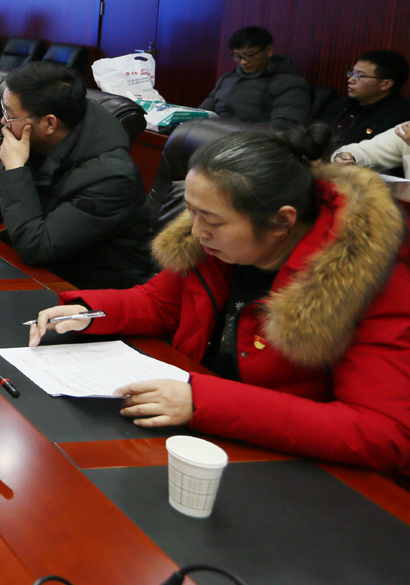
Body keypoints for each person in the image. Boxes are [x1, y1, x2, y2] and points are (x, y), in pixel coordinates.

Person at [28, 127, 410, 475]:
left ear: (282, 222)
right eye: (190, 212)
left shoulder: (372, 281)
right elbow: (162, 304)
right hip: (201, 439)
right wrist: (90, 313)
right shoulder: (215, 246)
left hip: (292, 471)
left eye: (211, 220)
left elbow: (384, 432)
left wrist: (202, 401)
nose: (196, 231)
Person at [0, 61, 153, 289]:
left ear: (49, 124)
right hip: (40, 275)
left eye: (10, 114)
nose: (3, 121)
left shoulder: (112, 178)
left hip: (91, 292)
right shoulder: (39, 137)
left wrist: (16, 170)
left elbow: (37, 247)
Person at [198, 26, 311, 128]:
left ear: (269, 50)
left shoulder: (290, 83)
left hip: (250, 140)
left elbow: (284, 127)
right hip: (213, 135)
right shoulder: (227, 79)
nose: (243, 62)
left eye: (249, 55)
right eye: (237, 56)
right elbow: (201, 114)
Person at [319, 50, 410, 149]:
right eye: (352, 73)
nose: (350, 80)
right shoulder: (340, 104)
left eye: (359, 76)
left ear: (386, 84)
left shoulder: (400, 116)